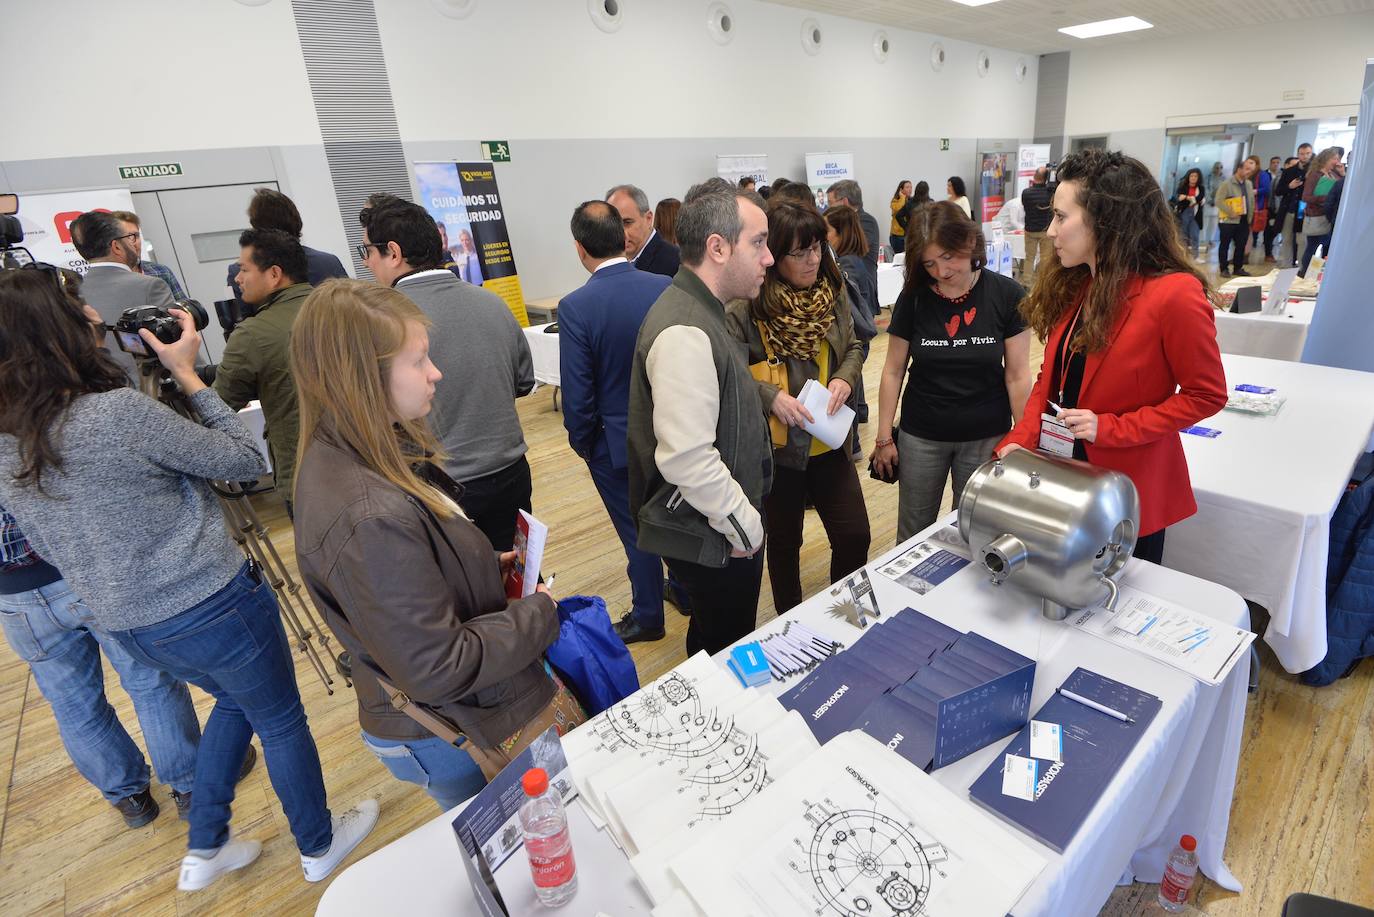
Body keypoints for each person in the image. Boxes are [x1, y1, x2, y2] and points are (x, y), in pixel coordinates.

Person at [0, 270, 375, 891]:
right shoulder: (116, 414)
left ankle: (207, 845)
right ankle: (319, 842)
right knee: (280, 719)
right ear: (58, 332)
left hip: (131, 622)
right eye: (78, 311)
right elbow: (242, 460)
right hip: (209, 603)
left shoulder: (11, 442)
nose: (93, 314)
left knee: (237, 701)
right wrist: (188, 374)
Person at [291, 280, 584, 811]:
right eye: (419, 361)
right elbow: (436, 664)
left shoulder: (357, 457)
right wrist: (541, 611)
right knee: (518, 836)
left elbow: (405, 595)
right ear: (363, 376)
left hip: (449, 714)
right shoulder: (367, 515)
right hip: (451, 728)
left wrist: (477, 570)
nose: (436, 374)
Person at [994, 149, 1228, 565]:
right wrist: (1020, 441)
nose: (1050, 231)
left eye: (1062, 218)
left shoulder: (1173, 295)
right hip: (1065, 481)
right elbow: (1052, 382)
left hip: (1126, 494)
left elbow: (1205, 395)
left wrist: (1112, 428)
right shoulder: (1080, 282)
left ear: (1106, 221)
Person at [627, 179, 773, 656]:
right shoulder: (685, 328)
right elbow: (688, 457)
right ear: (717, 247)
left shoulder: (702, 312)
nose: (768, 257)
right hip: (715, 532)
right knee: (723, 646)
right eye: (758, 243)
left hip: (717, 525)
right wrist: (747, 528)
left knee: (715, 635)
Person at [359, 198, 535, 551]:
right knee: (521, 577)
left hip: (438, 487)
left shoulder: (383, 324)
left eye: (367, 250)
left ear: (392, 252)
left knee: (469, 591)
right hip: (512, 472)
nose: (366, 261)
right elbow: (524, 382)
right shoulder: (492, 303)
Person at [727, 202, 869, 614]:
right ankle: (792, 620)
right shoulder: (748, 308)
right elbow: (732, 374)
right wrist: (771, 397)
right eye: (800, 252)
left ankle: (843, 612)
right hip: (778, 450)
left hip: (829, 441)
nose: (813, 260)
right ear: (773, 255)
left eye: (818, 248)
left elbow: (855, 344)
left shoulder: (833, 292)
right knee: (785, 546)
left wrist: (845, 376)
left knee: (854, 535)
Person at [558, 201, 685, 645]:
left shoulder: (575, 307)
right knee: (675, 509)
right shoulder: (663, 286)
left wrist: (585, 444)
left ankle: (648, 615)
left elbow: (577, 394)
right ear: (622, 236)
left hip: (614, 444)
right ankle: (684, 590)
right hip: (673, 427)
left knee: (636, 532)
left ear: (579, 248)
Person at [871, 202, 1032, 541]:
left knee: (974, 530)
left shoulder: (1007, 295)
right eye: (929, 263)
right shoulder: (914, 298)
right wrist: (884, 435)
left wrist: (1024, 438)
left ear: (970, 243)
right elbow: (893, 370)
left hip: (986, 433)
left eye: (949, 257)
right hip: (922, 435)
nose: (942, 271)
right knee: (913, 533)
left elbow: (1017, 376)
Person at [212, 229, 311, 517]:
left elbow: (218, 409)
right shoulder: (346, 307)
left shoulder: (253, 335)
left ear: (274, 274)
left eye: (244, 269)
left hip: (305, 476)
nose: (237, 278)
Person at [68, 210, 176, 382]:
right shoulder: (150, 286)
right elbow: (177, 349)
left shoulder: (69, 296)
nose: (134, 244)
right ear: (116, 246)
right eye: (129, 238)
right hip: (154, 393)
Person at [225, 188, 348, 299]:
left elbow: (240, 322)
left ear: (257, 229)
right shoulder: (329, 262)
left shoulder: (239, 273)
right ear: (295, 220)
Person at [108, 210, 188, 300]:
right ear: (114, 244)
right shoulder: (106, 280)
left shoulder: (161, 271)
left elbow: (185, 307)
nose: (135, 243)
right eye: (129, 237)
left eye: (136, 236)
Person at [607, 184, 680, 277]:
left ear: (648, 219)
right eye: (613, 225)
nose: (620, 234)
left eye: (627, 222)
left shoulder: (675, 263)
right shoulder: (611, 263)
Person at [825, 180, 879, 293]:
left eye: (830, 202)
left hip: (861, 291)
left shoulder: (866, 221)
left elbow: (852, 249)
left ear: (844, 201)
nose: (828, 207)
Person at [1299, 147, 1343, 277]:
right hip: (1316, 216)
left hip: (1329, 216)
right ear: (1326, 159)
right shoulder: (1314, 175)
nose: (1337, 161)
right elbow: (1305, 197)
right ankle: (1305, 272)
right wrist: (1327, 198)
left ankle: (1317, 273)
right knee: (1312, 247)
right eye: (1334, 158)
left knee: (1325, 247)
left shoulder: (1335, 175)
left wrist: (1342, 173)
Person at [1215, 157, 1257, 278]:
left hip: (1243, 220)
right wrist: (1231, 211)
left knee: (1241, 245)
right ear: (1239, 169)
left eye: (1251, 170)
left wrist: (1250, 217)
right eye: (1247, 169)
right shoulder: (1227, 184)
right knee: (1225, 244)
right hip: (1228, 221)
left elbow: (1251, 201)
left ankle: (1238, 267)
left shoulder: (1248, 184)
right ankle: (1224, 268)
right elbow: (1219, 201)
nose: (1249, 172)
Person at [1274, 145, 1313, 267]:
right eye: (1302, 153)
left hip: (1304, 211)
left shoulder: (1314, 172)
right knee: (1286, 240)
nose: (1305, 156)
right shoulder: (1289, 171)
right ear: (1298, 154)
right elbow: (1278, 191)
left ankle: (1301, 268)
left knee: (1302, 241)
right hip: (1288, 210)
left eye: (1307, 153)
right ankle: (1287, 266)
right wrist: (1289, 187)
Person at [1021, 167, 1055, 285]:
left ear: (1034, 177)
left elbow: (1025, 207)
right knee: (1045, 258)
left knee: (1029, 257)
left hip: (1030, 230)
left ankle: (1026, 282)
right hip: (1045, 231)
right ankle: (1040, 282)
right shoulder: (1050, 193)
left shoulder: (1026, 193)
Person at [1263, 156, 1298, 263]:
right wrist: (1274, 210)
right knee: (1271, 232)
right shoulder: (1278, 178)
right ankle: (1268, 253)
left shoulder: (1298, 179)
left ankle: (1291, 259)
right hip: (1275, 210)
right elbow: (1274, 194)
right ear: (1286, 165)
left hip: (1290, 210)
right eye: (1292, 165)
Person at [1173, 168, 1205, 258]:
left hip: (1196, 213)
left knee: (1195, 235)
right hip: (1184, 212)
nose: (1193, 178)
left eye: (1195, 176)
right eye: (1191, 176)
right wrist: (1191, 198)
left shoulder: (1201, 188)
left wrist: (1187, 198)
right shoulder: (1183, 186)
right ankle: (1183, 256)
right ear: (1188, 177)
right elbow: (1179, 199)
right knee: (1183, 234)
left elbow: (1200, 198)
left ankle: (1195, 256)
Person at [1202, 161, 1225, 254]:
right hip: (1208, 204)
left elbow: (1224, 191)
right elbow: (1205, 189)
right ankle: (1203, 241)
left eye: (1220, 167)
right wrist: (1210, 200)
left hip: (1218, 205)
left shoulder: (1224, 179)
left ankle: (1210, 240)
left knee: (1214, 225)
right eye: (1216, 167)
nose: (1218, 169)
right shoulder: (1208, 178)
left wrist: (1217, 201)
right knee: (1205, 224)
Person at [889, 179, 913, 254]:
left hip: (908, 234)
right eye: (907, 187)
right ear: (901, 189)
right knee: (899, 258)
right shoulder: (895, 200)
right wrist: (902, 197)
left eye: (911, 187)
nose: (910, 189)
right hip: (897, 236)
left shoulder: (911, 201)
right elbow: (899, 210)